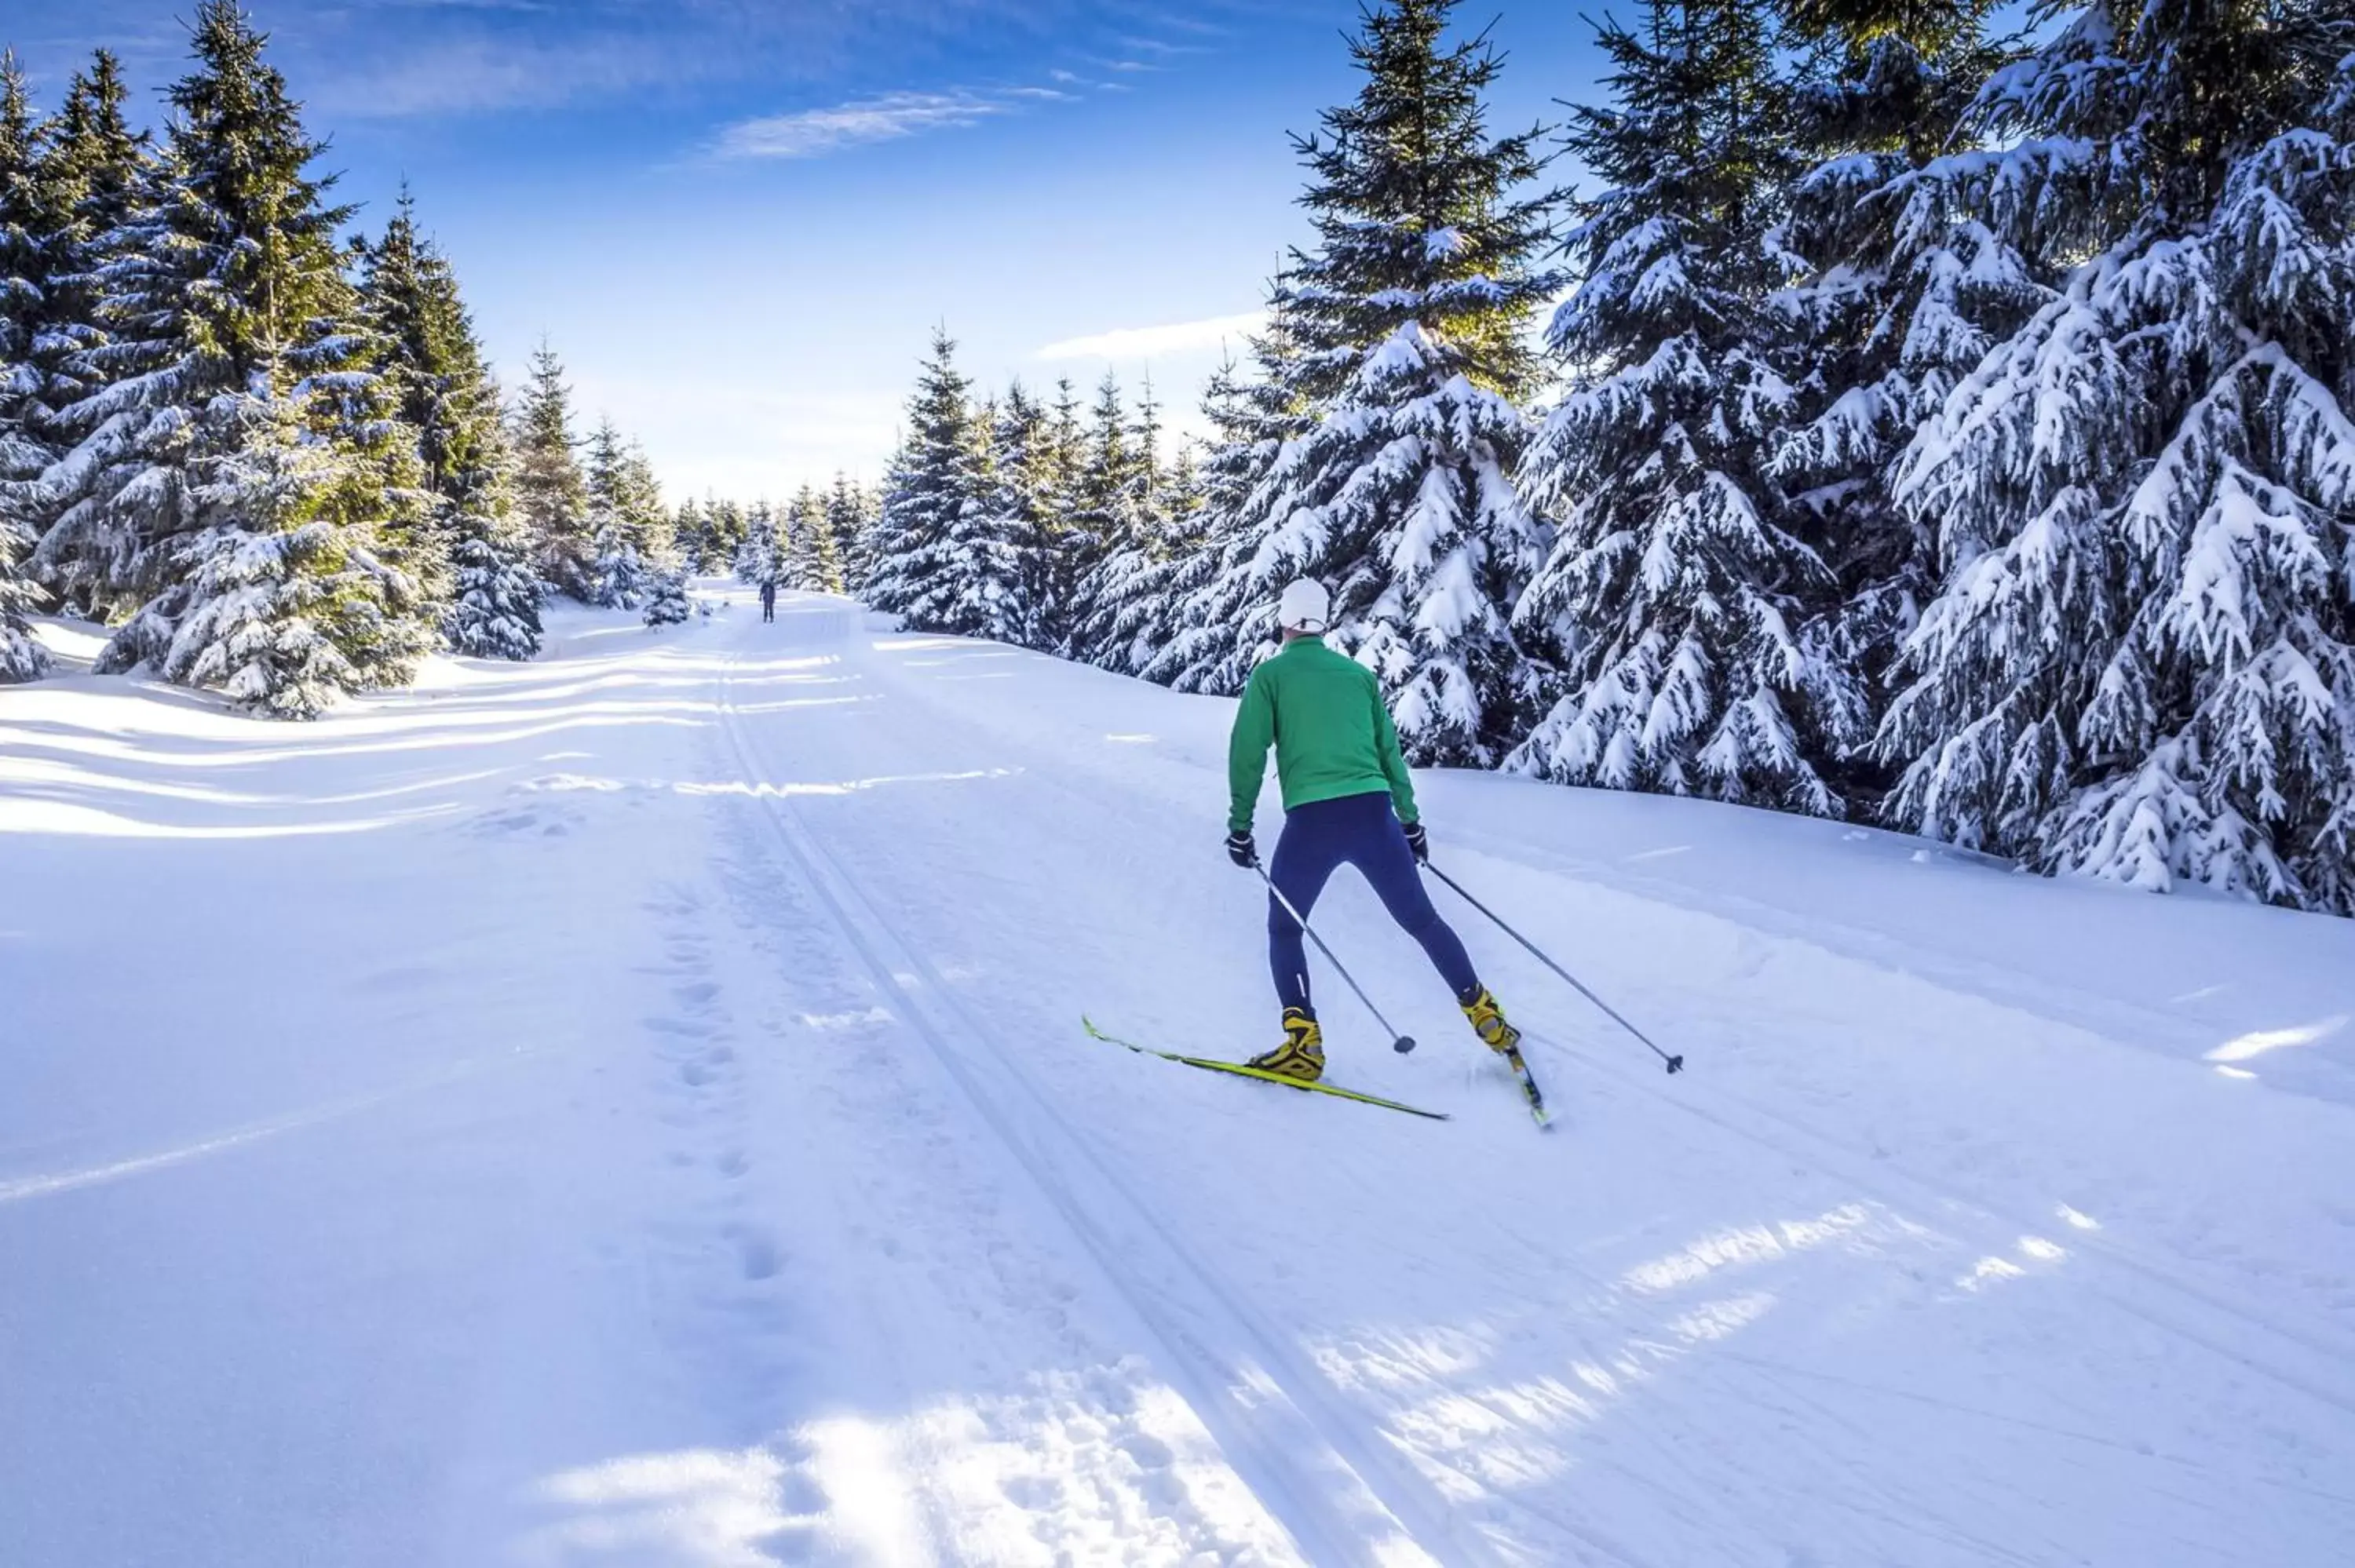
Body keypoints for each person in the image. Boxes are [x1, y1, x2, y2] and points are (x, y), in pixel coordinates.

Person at [1225, 578, 1520, 1081]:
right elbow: (1390, 755)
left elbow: (1247, 753)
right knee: (1423, 921)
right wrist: (1410, 823)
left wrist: (1240, 825)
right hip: (1373, 815)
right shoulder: (1358, 676)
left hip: (1312, 822)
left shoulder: (1270, 677)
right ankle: (1486, 1015)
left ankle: (1304, 1045)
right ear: (1323, 619)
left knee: (1285, 927)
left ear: (1285, 620)